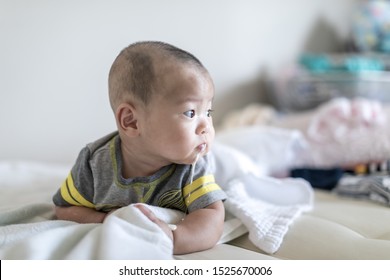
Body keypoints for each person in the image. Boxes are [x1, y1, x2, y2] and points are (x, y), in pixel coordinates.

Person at [52, 41, 227, 255]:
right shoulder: (94, 164)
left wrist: (174, 237)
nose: (206, 127)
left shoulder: (192, 165)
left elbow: (211, 215)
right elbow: (65, 208)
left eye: (208, 112)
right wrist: (106, 220)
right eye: (190, 113)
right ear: (132, 122)